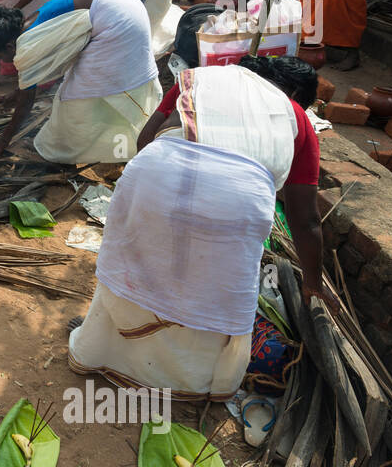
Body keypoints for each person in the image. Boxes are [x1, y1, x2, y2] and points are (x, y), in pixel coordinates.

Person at [69, 55, 325, 401]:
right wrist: (312, 283)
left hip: (155, 173)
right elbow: (305, 219)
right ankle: (192, 384)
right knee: (213, 287)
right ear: (293, 93)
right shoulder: (295, 115)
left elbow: (145, 140)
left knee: (139, 266)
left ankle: (100, 355)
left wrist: (185, 180)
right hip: (238, 198)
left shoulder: (198, 78)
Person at [0, 0, 162, 165]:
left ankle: (73, 151)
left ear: (10, 46)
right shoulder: (26, 25)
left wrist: (2, 141)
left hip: (118, 23)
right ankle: (106, 139)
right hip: (122, 2)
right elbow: (30, 83)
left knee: (76, 97)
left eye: (1, 57)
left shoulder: (27, 46)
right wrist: (15, 94)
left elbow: (27, 101)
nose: (3, 61)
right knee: (82, 85)